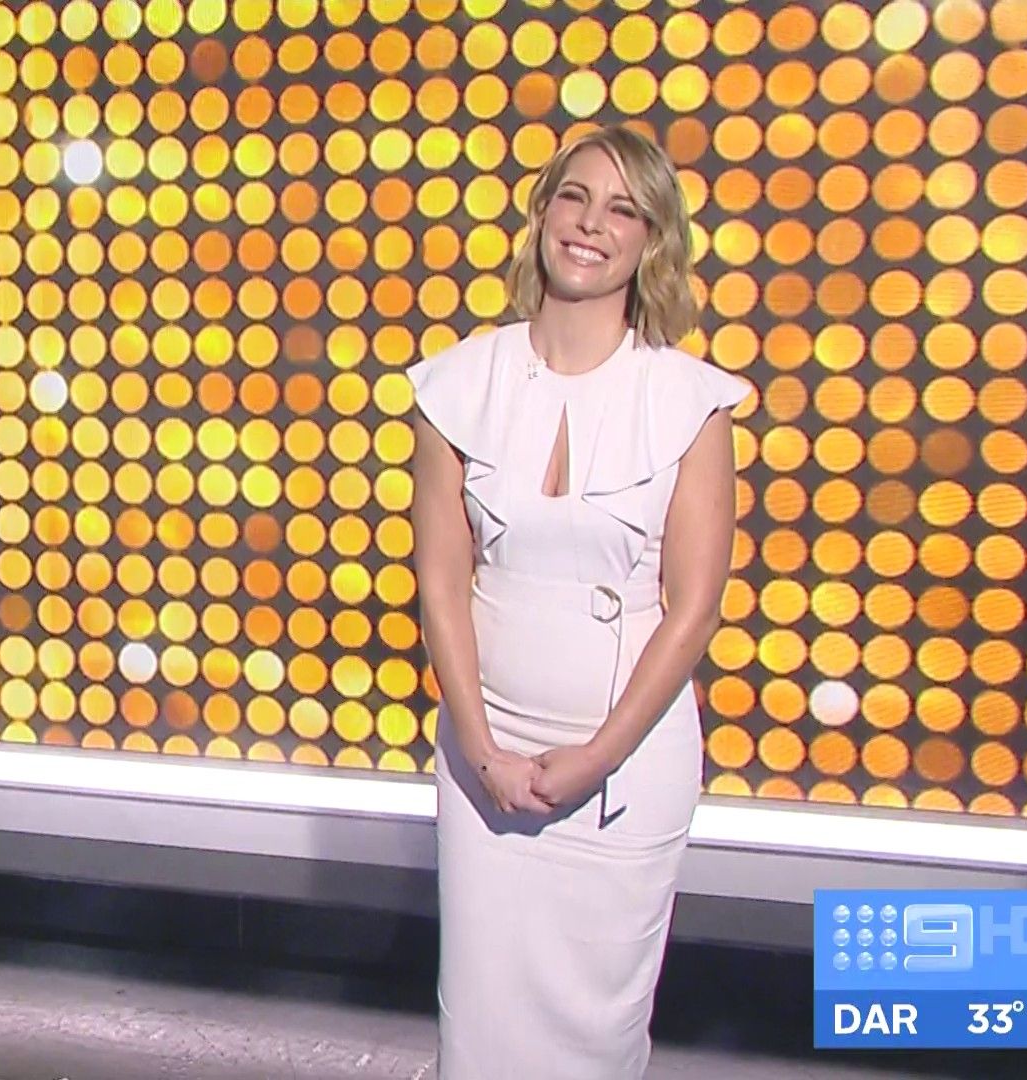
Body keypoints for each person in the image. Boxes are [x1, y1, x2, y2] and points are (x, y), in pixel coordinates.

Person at [408, 124, 747, 1078]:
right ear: (543, 214)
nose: (591, 225)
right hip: (486, 754)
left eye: (622, 210)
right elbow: (441, 582)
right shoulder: (456, 385)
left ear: (652, 241)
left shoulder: (689, 401)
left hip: (626, 763)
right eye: (575, 197)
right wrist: (482, 751)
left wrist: (597, 758)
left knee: (597, 1032)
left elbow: (694, 609)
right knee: (483, 1026)